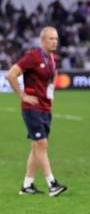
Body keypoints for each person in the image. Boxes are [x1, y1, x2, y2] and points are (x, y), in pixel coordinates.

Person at [5, 26, 67, 197]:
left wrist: (51, 92)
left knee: (36, 146)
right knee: (41, 144)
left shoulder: (52, 58)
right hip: (32, 108)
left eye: (56, 39)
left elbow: (53, 76)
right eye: (51, 39)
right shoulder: (33, 56)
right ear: (42, 40)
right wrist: (22, 95)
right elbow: (11, 74)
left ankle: (27, 185)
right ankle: (52, 184)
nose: (54, 41)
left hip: (45, 108)